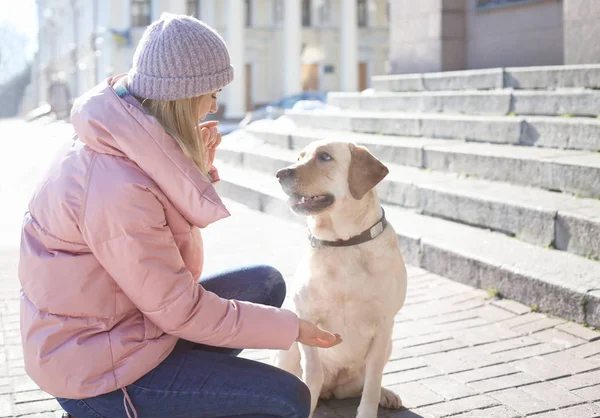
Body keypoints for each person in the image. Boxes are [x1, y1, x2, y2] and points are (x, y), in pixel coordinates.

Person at [19, 13, 342, 418]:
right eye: (212, 92)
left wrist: (195, 170)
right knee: (287, 398)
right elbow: (181, 308)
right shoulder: (114, 187)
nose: (214, 104)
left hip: (121, 328)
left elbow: (160, 258)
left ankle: (195, 390)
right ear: (182, 95)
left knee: (264, 283)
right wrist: (293, 329)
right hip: (100, 375)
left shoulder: (119, 133)